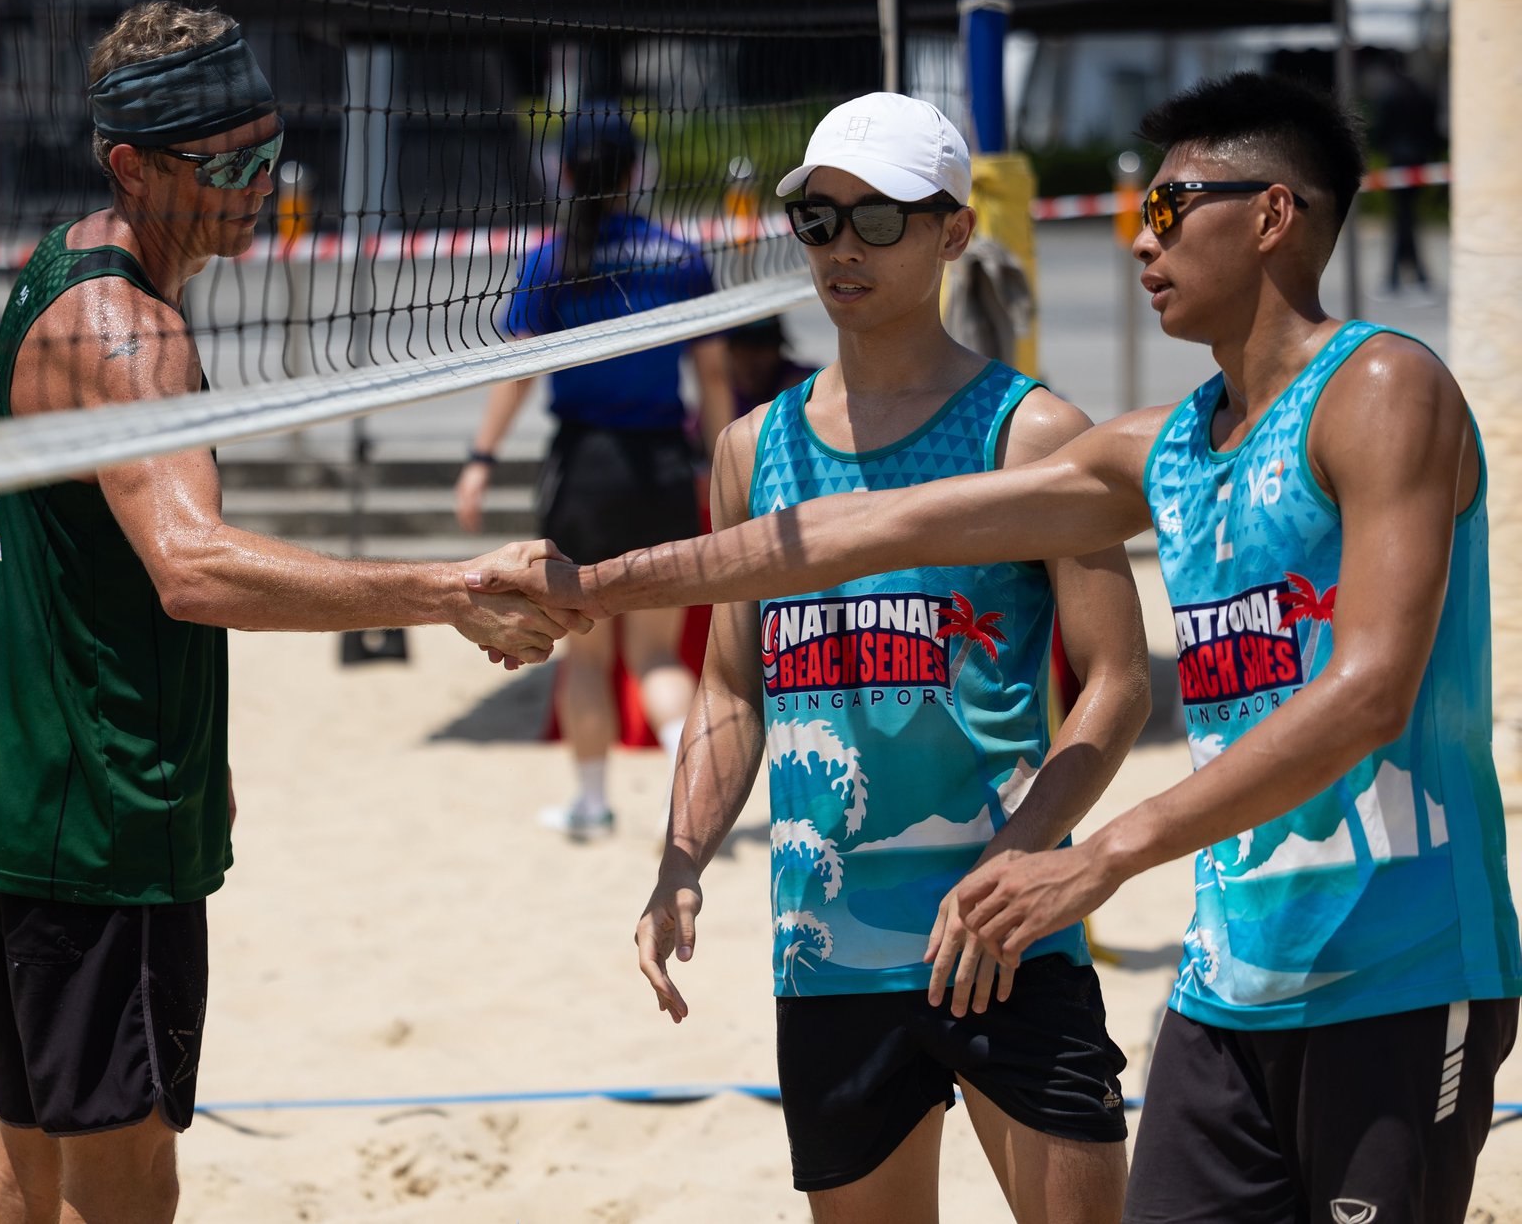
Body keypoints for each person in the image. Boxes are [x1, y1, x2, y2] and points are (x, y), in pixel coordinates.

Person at [472, 72, 1522, 1222]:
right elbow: (853, 532)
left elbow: (1360, 692)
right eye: (813, 218)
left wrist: (1088, 855)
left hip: (1383, 967)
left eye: (1166, 210)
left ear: (1271, 216)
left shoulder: (1375, 384)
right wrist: (589, 585)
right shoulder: (1162, 450)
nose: (1137, 240)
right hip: (1214, 983)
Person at [0, 0, 580, 1224]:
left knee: (30, 1166)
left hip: (36, 801)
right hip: (95, 832)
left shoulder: (68, 270)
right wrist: (444, 590)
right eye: (223, 165)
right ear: (130, 164)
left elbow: (120, 577)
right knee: (124, 1192)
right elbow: (193, 568)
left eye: (267, 152)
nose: (258, 186)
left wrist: (199, 739)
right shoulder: (126, 328)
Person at [638, 92, 1153, 1220]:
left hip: (1007, 934)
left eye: (878, 219)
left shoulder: (1028, 434)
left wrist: (1018, 863)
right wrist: (679, 858)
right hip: (826, 948)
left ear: (951, 232)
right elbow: (732, 684)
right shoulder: (750, 450)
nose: (841, 248)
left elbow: (1116, 681)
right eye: (818, 219)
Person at [455, 106, 732, 839]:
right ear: (635, 172)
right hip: (663, 468)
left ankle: (590, 802)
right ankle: (696, 796)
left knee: (586, 653)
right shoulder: (679, 255)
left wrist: (480, 460)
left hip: (585, 471)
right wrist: (721, 459)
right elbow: (712, 374)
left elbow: (516, 374)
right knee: (655, 655)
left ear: (567, 172)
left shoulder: (551, 258)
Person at [1372, 54, 1441, 301]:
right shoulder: (1422, 93)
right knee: (1406, 220)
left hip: (1399, 161)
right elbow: (1434, 130)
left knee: (1403, 220)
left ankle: (1399, 278)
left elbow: (1380, 131)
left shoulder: (1392, 95)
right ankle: (1408, 276)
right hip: (1420, 160)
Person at [726, 314, 815, 415]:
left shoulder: (804, 382)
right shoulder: (725, 395)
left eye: (761, 348)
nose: (753, 360)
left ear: (777, 350)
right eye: (743, 350)